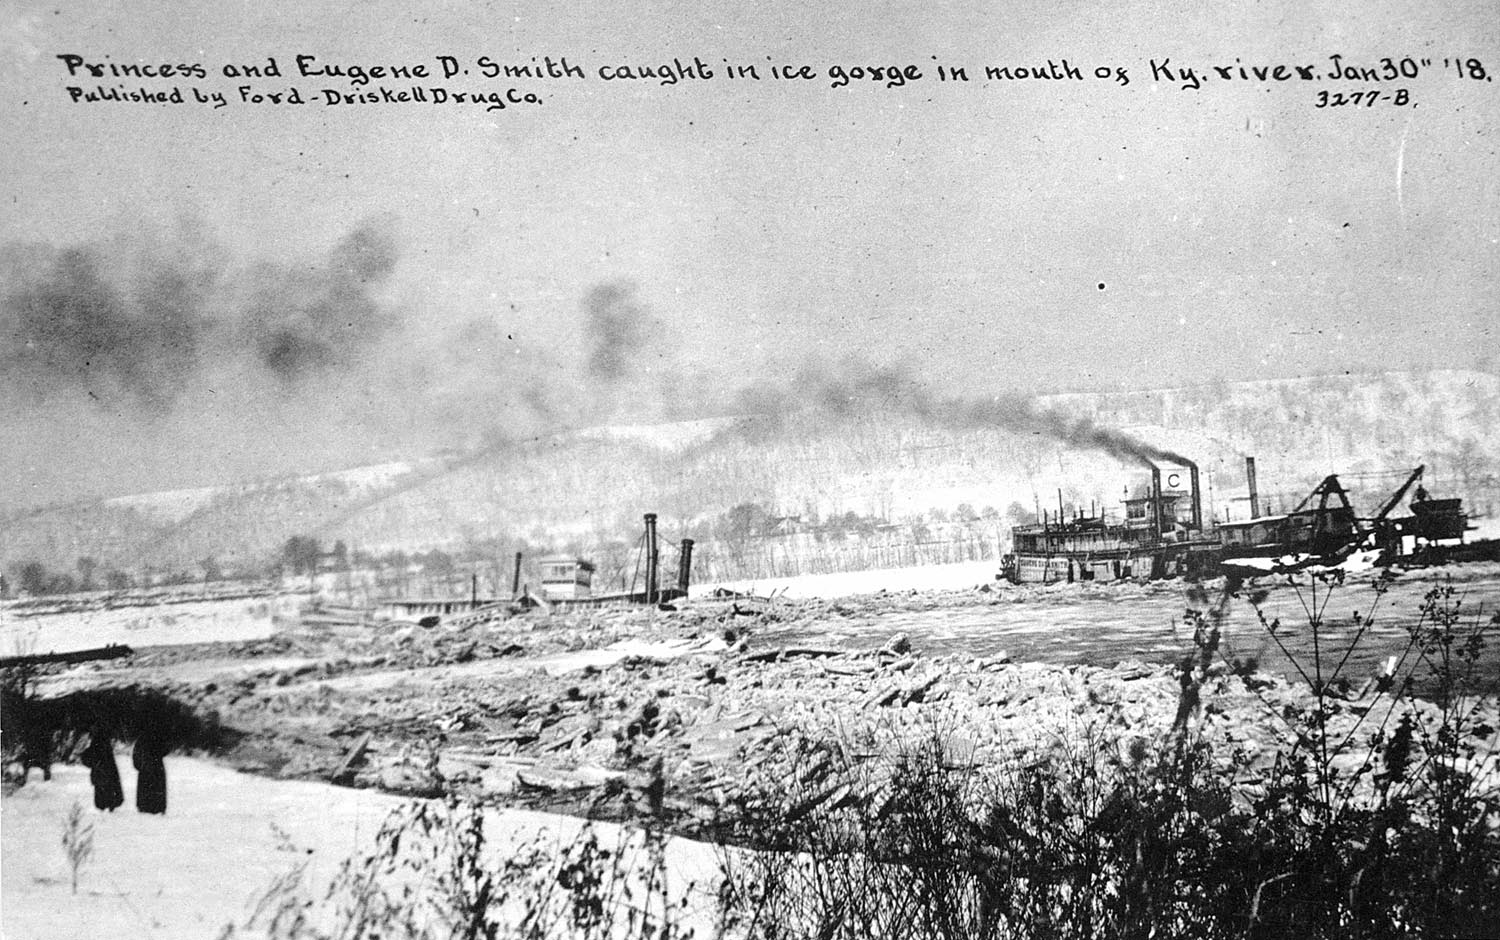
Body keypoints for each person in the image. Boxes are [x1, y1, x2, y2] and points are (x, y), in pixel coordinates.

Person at [81, 732, 125, 811]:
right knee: (107, 790)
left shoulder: (97, 742)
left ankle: (105, 807)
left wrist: (94, 764)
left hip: (100, 773)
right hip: (106, 772)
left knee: (102, 792)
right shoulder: (102, 743)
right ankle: (109, 806)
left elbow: (86, 757)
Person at [133, 731, 168, 815]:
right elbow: (166, 749)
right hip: (155, 766)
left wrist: (138, 765)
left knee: (147, 787)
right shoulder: (158, 736)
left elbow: (136, 753)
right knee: (156, 787)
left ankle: (145, 807)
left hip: (146, 766)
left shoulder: (142, 737)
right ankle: (157, 807)